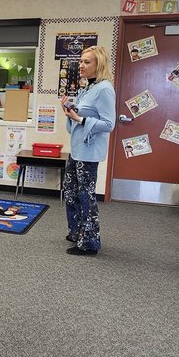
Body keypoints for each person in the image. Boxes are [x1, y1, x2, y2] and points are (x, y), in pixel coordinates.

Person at [60, 45, 118, 256]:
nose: (81, 66)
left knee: (86, 195)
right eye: (81, 61)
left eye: (87, 62)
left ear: (98, 65)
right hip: (77, 149)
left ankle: (90, 243)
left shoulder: (104, 89)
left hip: (89, 151)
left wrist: (80, 118)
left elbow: (109, 124)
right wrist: (70, 111)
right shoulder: (87, 87)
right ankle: (76, 232)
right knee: (71, 192)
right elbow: (78, 118)